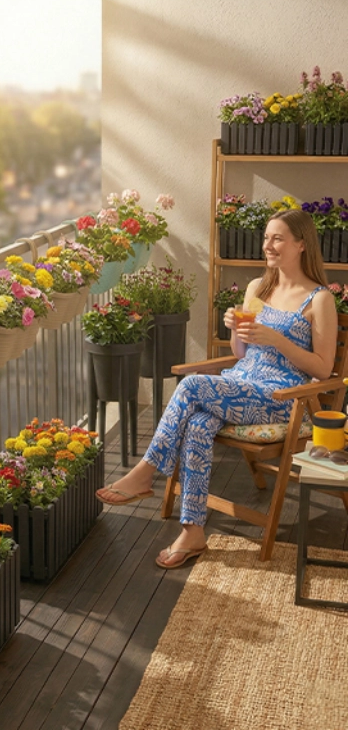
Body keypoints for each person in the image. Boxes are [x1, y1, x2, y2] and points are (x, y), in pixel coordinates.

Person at [95, 209, 337, 569]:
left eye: (277, 238)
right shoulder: (259, 287)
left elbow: (323, 368)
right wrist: (234, 332)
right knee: (196, 424)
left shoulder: (319, 299)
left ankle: (146, 471)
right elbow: (241, 353)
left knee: (191, 385)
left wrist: (277, 339)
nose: (267, 245)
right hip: (240, 383)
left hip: (281, 397)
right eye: (266, 237)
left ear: (301, 244)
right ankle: (193, 531)